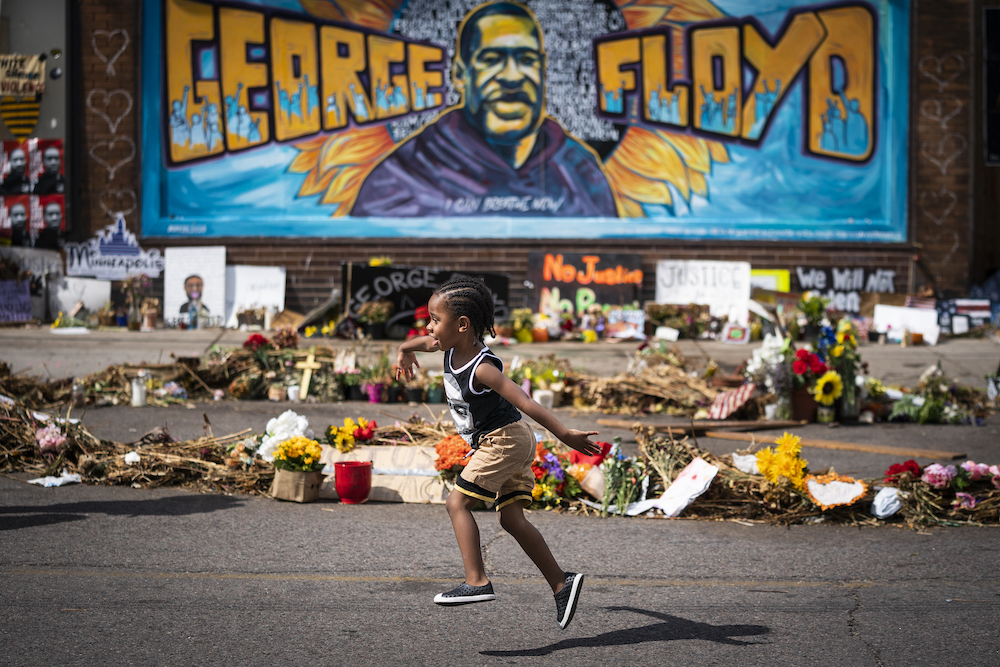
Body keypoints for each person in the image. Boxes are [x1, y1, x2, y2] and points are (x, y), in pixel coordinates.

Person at [395, 276, 599, 629]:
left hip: (504, 441)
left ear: (462, 324)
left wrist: (565, 434)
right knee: (510, 518)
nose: (429, 327)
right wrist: (404, 348)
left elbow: (526, 401)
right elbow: (426, 343)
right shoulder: (449, 345)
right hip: (509, 439)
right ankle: (561, 583)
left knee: (457, 503)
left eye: (434, 319)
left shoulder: (482, 368)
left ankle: (477, 581)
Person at [351, 1, 617, 218]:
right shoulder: (401, 178)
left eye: (526, 59)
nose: (512, 77)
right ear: (459, 75)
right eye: (491, 59)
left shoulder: (580, 171)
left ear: (543, 70)